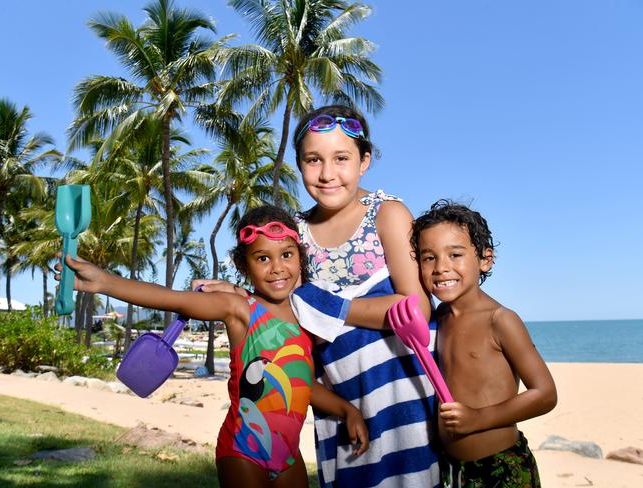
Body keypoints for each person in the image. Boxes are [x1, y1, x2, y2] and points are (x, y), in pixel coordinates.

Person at [196, 105, 441, 487]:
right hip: (341, 398)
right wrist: (240, 294)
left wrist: (330, 307)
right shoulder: (295, 232)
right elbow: (282, 300)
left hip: (400, 392)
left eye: (341, 158)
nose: (328, 173)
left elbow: (415, 307)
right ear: (298, 164)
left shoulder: (387, 214)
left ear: (364, 161)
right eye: (314, 160)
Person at [55, 205, 369, 488]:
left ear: (300, 257)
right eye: (263, 258)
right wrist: (103, 282)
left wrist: (346, 409)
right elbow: (172, 298)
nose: (277, 268)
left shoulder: (307, 320)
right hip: (242, 451)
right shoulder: (239, 308)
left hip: (288, 456)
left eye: (286, 254)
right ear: (244, 267)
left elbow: (299, 384)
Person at [410, 200, 557, 487]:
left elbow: (545, 393)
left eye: (455, 254)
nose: (441, 267)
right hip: (451, 469)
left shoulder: (500, 320)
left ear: (485, 259)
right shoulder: (439, 317)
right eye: (429, 258)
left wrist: (478, 418)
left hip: (501, 466)